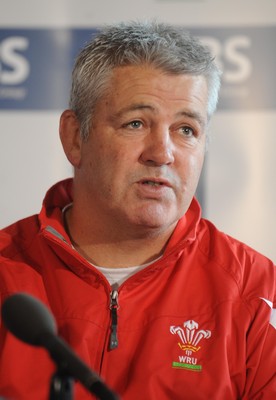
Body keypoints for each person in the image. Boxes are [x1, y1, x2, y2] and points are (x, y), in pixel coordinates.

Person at [0, 20, 275, 400]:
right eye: (135, 123)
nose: (162, 153)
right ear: (75, 137)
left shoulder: (255, 289)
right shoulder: (5, 270)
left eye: (186, 130)